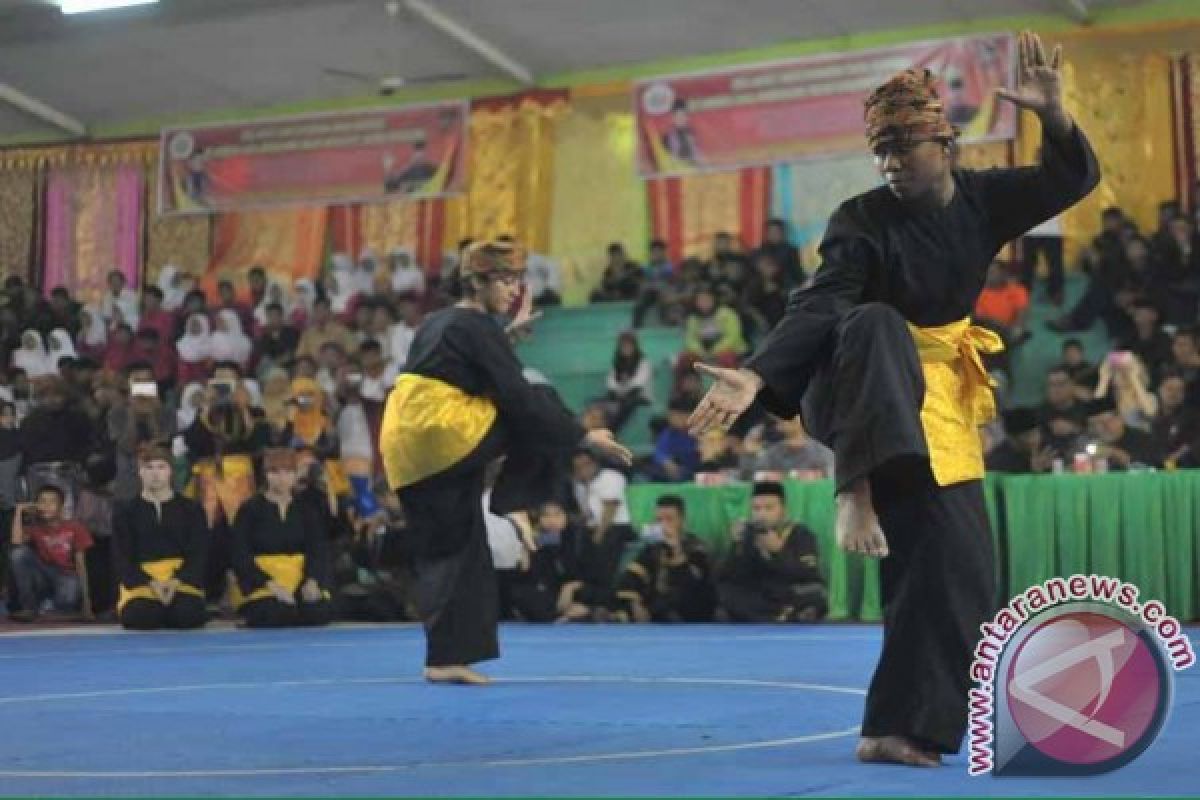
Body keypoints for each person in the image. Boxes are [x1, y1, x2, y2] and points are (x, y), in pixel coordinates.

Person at [685, 32, 1100, 766]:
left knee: (955, 573)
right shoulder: (860, 217)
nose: (889, 163)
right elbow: (821, 304)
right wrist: (756, 375)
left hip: (933, 400)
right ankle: (856, 490)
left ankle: (897, 728)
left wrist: (1056, 118)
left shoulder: (983, 200)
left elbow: (1068, 182)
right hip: (849, 388)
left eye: (903, 148)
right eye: (880, 151)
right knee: (877, 321)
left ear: (944, 142)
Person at [380, 239, 631, 684]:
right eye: (504, 280)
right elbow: (516, 395)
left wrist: (505, 337)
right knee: (541, 399)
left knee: (454, 546)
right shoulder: (476, 324)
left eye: (517, 280)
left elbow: (457, 366)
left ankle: (444, 658)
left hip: (405, 447)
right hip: (442, 434)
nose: (513, 290)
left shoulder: (438, 322)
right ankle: (514, 498)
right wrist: (584, 436)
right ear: (475, 282)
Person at [231, 448, 333, 627]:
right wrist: (270, 585)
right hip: (264, 582)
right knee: (276, 612)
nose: (281, 478)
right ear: (265, 475)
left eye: (287, 472)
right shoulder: (249, 509)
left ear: (295, 476)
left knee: (318, 612)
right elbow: (240, 554)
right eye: (275, 472)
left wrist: (312, 580)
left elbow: (317, 548)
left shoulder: (307, 509)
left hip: (300, 577)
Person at [114, 444, 209, 630]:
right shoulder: (126, 511)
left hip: (181, 580)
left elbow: (199, 552)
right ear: (140, 472)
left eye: (161, 467)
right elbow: (121, 556)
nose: (155, 474)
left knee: (186, 615)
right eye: (149, 468)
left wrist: (176, 581)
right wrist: (150, 583)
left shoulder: (191, 509)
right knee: (141, 616)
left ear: (170, 471)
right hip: (142, 582)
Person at [717, 481, 827, 622]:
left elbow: (808, 573)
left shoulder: (800, 534)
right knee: (727, 592)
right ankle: (784, 615)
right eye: (756, 509)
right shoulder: (747, 533)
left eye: (769, 508)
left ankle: (776, 614)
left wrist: (779, 552)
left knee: (816, 594)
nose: (761, 514)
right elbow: (729, 576)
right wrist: (736, 547)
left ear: (783, 510)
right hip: (760, 592)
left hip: (788, 590)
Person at [614, 495, 715, 623]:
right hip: (655, 606)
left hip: (688, 608)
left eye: (669, 519)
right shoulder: (653, 548)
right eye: (659, 520)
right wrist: (635, 604)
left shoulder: (696, 547)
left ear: (682, 520)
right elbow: (631, 578)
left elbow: (694, 584)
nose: (664, 524)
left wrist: (676, 550)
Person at [9, 485, 93, 620]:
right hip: (43, 576)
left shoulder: (75, 527)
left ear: (61, 506)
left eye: (52, 502)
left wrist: (87, 603)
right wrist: (19, 511)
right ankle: (29, 608)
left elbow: (81, 565)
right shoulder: (35, 527)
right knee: (18, 554)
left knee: (69, 592)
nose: (46, 506)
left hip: (67, 576)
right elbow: (16, 542)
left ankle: (53, 608)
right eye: (42, 501)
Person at [985, 407, 1054, 473]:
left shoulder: (1046, 450)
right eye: (1028, 436)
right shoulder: (997, 461)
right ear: (1012, 439)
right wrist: (1031, 471)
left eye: (1037, 433)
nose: (1034, 440)